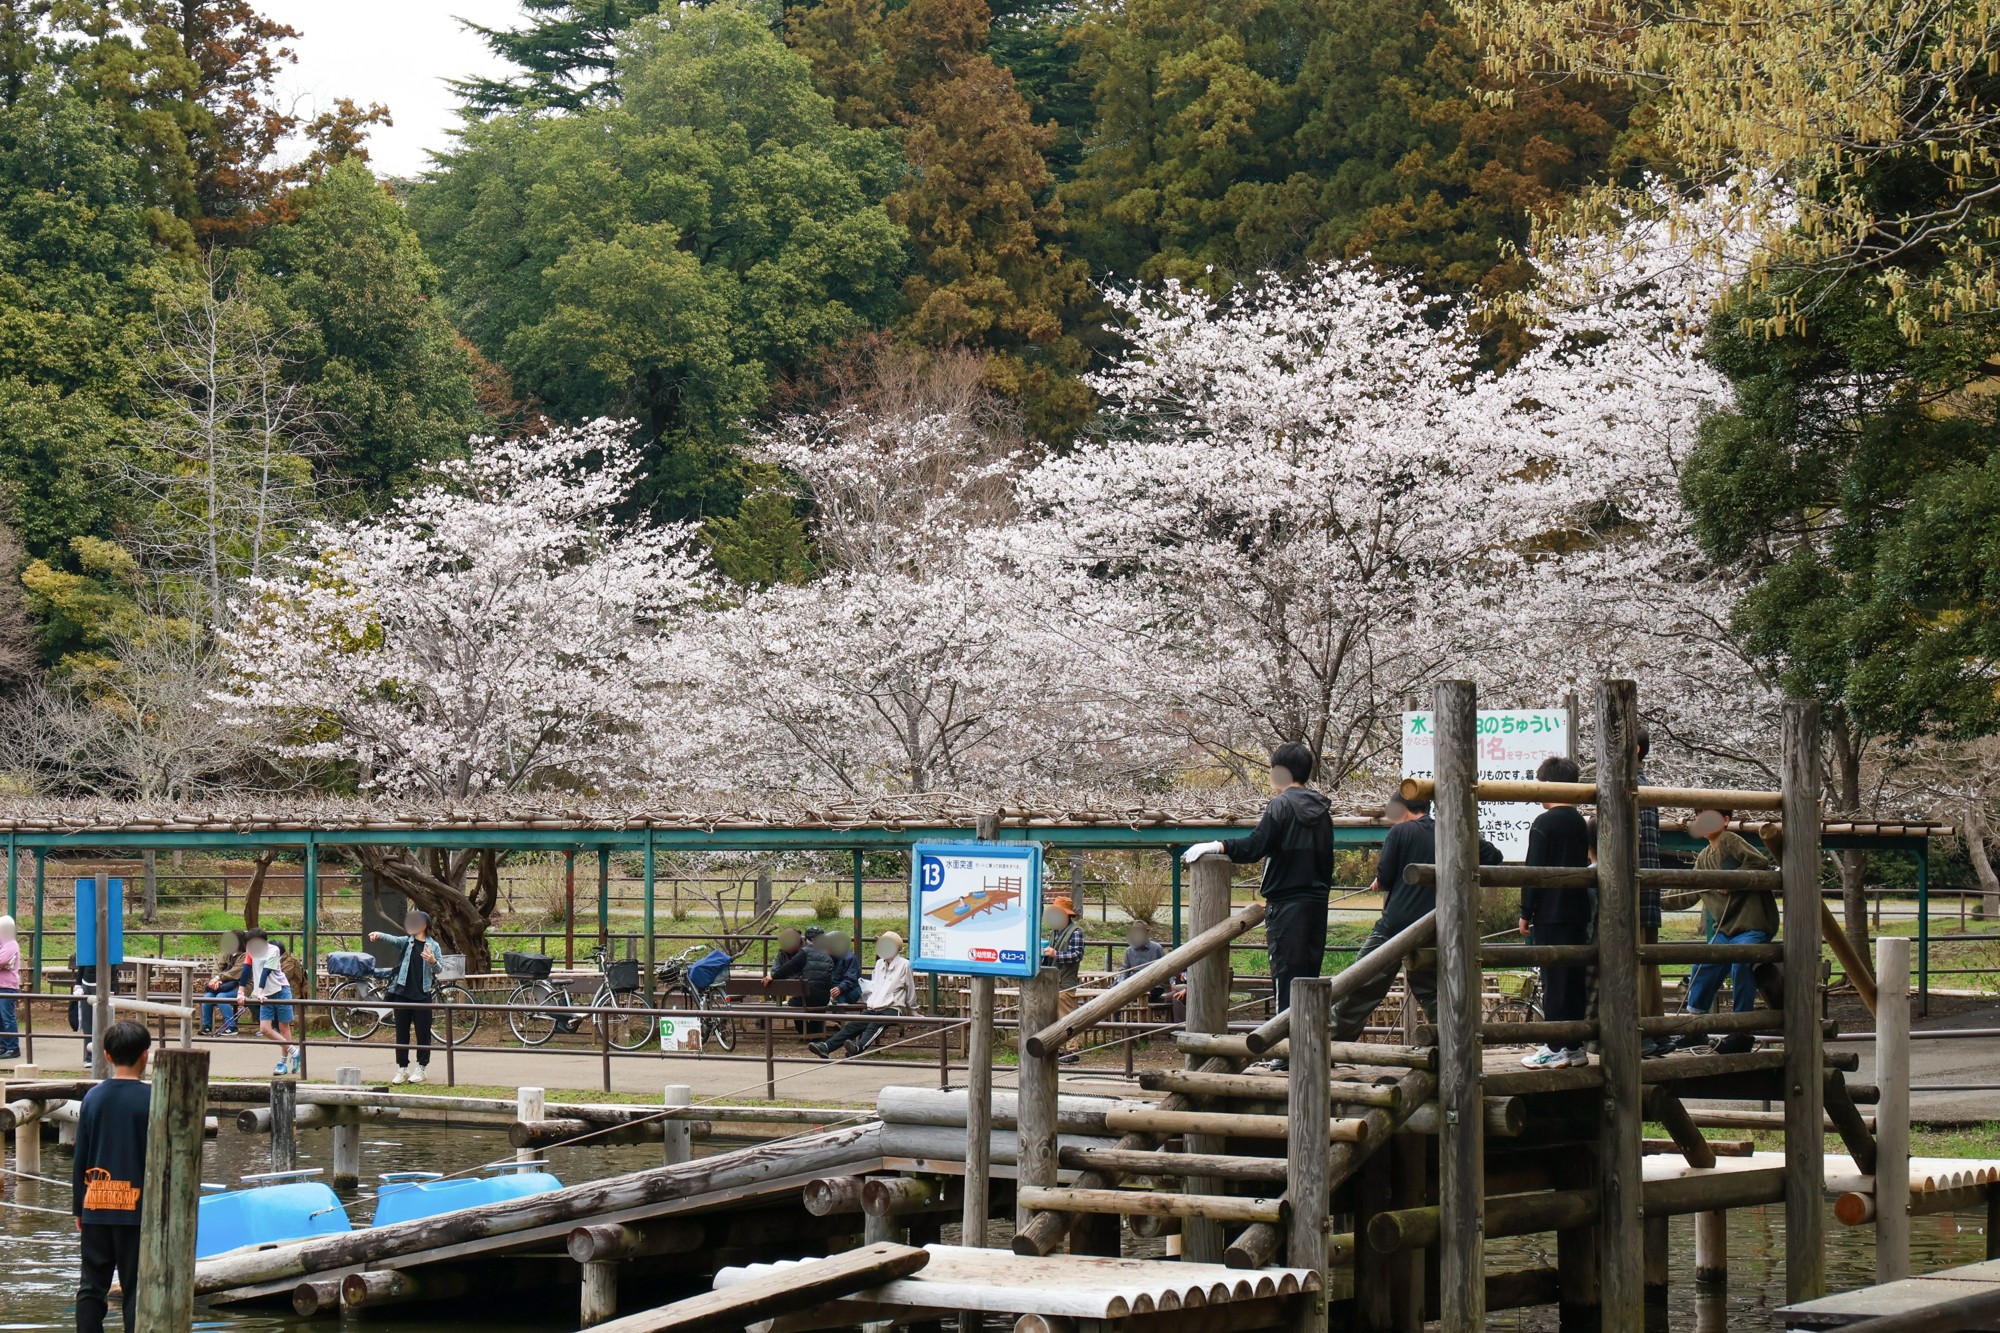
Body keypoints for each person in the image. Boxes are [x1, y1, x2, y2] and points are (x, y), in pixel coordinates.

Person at [1181, 741, 1332, 1073]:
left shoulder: (1281, 806)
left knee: (1285, 977)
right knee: (1309, 976)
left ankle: (1284, 1053)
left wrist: (1217, 844)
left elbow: (1255, 846)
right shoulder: (1322, 812)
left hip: (1286, 903)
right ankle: (1307, 1047)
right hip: (1316, 904)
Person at [1324, 791, 1445, 1051]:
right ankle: (1453, 1045)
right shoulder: (1448, 831)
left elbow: (1387, 876)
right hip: (1437, 925)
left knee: (1360, 986)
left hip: (1396, 925)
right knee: (1432, 991)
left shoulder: (1400, 833)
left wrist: (1381, 881)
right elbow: (1491, 855)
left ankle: (1326, 1046)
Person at [1663, 808, 1776, 1054]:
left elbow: (1759, 862)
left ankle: (1741, 1030)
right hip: (1726, 930)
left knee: (1741, 962)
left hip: (1752, 926)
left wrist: (1731, 879)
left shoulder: (1730, 840)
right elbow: (1688, 893)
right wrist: (1655, 899)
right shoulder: (1703, 858)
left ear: (1725, 820)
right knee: (1703, 964)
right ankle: (1695, 1026)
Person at [74, 1019, 152, 1333]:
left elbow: (81, 1156)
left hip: (97, 1204)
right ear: (146, 1055)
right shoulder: (152, 1099)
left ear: (106, 1056)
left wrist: (79, 1206)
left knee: (91, 1286)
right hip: (137, 1209)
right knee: (136, 1287)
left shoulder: (93, 1098)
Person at [1518, 756, 1595, 1070]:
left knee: (1553, 979)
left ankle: (1553, 1045)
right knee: (1573, 979)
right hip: (1578, 910)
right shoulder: (1579, 822)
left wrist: (1526, 911)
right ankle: (1574, 1046)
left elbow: (1533, 870)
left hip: (1551, 910)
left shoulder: (1544, 822)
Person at [811, 931, 917, 1058]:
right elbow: (875, 986)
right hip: (874, 1006)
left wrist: (913, 1011)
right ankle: (826, 1047)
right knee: (853, 1025)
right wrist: (870, 1002)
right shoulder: (879, 964)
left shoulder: (905, 965)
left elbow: (910, 988)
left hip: (892, 1008)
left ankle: (858, 1048)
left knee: (874, 1025)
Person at [368, 910, 442, 1085]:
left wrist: (432, 961)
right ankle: (402, 1069)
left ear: (424, 925)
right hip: (402, 994)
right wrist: (379, 934)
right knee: (401, 1034)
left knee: (423, 1034)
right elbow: (393, 939)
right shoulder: (407, 942)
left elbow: (439, 970)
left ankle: (422, 1068)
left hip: (422, 995)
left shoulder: (433, 946)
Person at [237, 929, 299, 1075]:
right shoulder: (250, 951)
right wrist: (240, 991)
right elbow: (246, 969)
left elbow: (266, 971)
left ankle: (282, 1063)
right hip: (265, 994)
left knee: (284, 1027)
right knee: (265, 1028)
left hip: (280, 990)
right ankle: (294, 1051)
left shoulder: (274, 950)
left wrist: (259, 991)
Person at [1043, 897, 1086, 1063]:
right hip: (1053, 982)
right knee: (1054, 1016)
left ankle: (1072, 1050)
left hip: (1066, 982)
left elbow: (1077, 955)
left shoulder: (1076, 932)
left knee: (1067, 1016)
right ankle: (1060, 1048)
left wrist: (1056, 954)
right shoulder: (1054, 932)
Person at [200, 929, 244, 1036]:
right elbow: (217, 967)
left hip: (240, 987)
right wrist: (215, 978)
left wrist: (219, 978)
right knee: (207, 997)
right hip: (223, 985)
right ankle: (207, 1026)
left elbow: (235, 972)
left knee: (221, 996)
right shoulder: (227, 953)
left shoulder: (245, 955)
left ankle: (231, 1026)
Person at [1119, 919, 1167, 1004]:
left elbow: (1167, 966)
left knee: (1150, 992)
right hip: (1134, 983)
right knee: (1115, 994)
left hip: (1153, 985)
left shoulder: (1156, 948)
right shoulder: (1129, 951)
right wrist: (1122, 983)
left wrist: (1172, 982)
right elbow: (1124, 970)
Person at [0, 913, 20, 1059]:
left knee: (7, 1017)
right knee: (1, 1018)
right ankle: (3, 1045)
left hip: (7, 985)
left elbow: (2, 960)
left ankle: (13, 1047)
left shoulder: (11, 944)